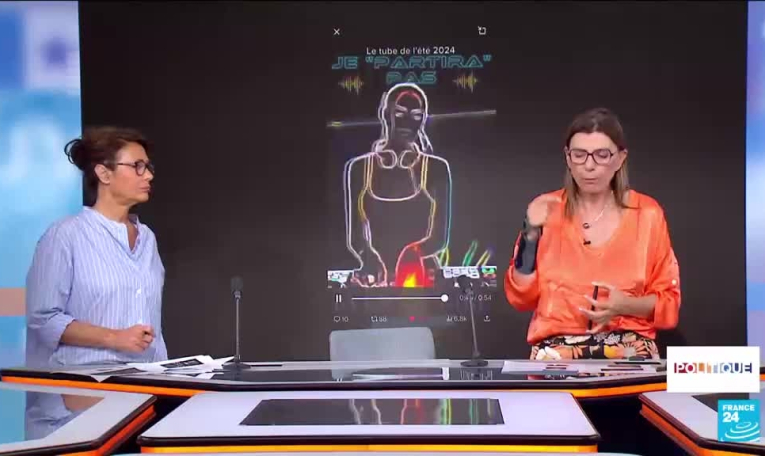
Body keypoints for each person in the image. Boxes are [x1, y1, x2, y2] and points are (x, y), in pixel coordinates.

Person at [505, 108, 681, 360]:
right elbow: (519, 298)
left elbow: (669, 305)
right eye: (579, 155)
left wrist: (625, 306)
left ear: (620, 159)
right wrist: (530, 235)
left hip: (629, 351)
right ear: (568, 158)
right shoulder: (545, 208)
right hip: (556, 354)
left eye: (601, 155)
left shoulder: (647, 214)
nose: (589, 165)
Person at [25, 126, 167, 367]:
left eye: (148, 167)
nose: (148, 175)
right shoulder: (65, 235)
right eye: (137, 166)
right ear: (104, 173)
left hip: (147, 378)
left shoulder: (147, 238)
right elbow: (43, 319)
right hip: (83, 382)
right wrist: (115, 338)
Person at [344, 82, 452, 288]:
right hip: (376, 279)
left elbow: (440, 238)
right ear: (386, 114)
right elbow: (355, 236)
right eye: (400, 113)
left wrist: (414, 252)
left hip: (420, 277)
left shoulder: (436, 168)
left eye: (417, 116)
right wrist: (368, 256)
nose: (408, 122)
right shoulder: (359, 168)